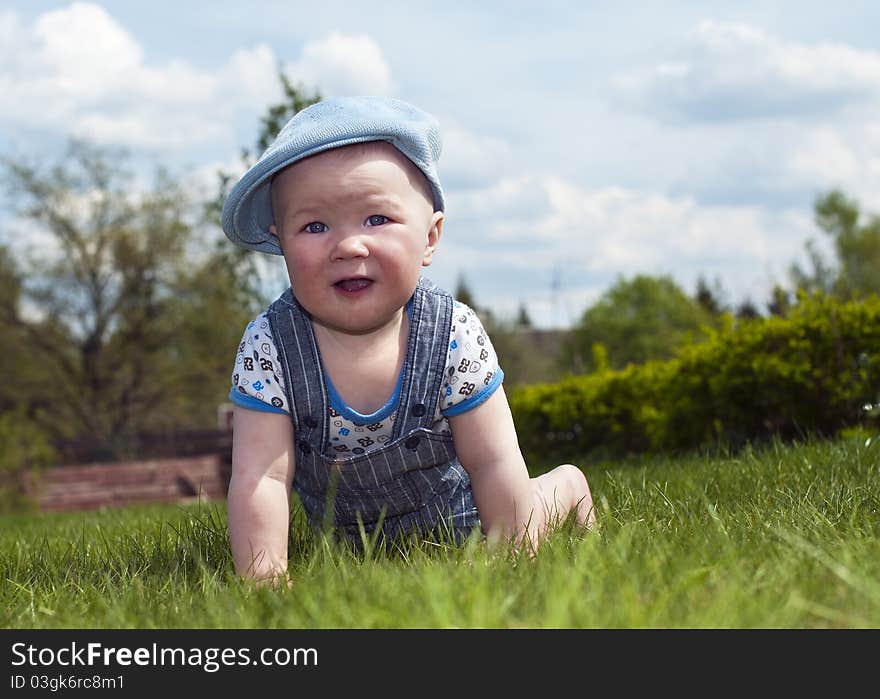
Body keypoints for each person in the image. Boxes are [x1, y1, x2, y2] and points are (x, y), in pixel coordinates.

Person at [221, 96, 594, 583]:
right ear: (281, 243)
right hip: (347, 544)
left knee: (527, 510)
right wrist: (264, 578)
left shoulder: (453, 334)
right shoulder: (270, 346)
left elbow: (492, 460)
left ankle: (564, 486)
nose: (349, 245)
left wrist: (512, 560)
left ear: (430, 238)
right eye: (314, 226)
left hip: (463, 520)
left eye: (377, 219)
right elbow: (261, 478)